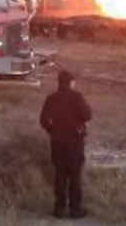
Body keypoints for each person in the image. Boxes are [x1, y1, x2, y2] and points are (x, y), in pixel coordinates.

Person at [40, 70, 92, 219]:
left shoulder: (51, 99)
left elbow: (43, 120)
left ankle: (59, 208)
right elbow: (88, 115)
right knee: (75, 177)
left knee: (59, 176)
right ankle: (75, 209)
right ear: (71, 83)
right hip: (74, 142)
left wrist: (52, 130)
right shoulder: (77, 97)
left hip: (57, 142)